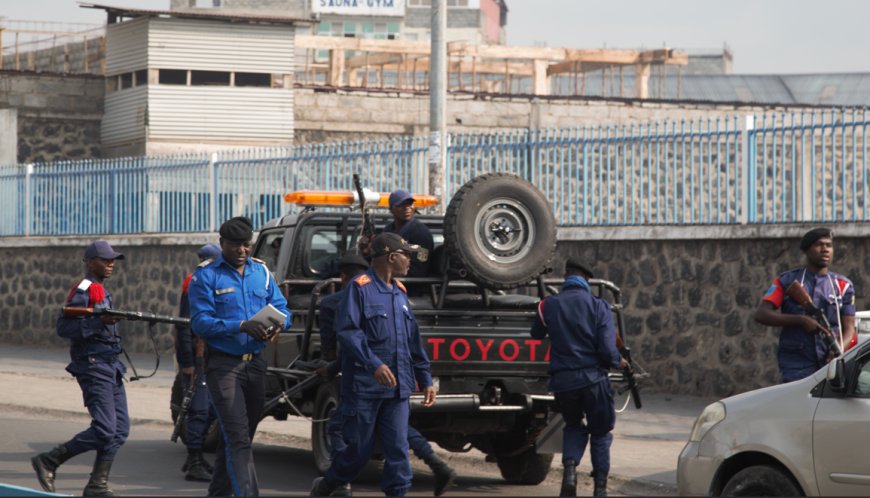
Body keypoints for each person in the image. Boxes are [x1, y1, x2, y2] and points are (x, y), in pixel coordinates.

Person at [316, 252, 456, 496]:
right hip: (364, 387)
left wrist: (425, 378)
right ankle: (328, 485)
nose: (410, 261)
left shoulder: (399, 292)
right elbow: (348, 332)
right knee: (359, 451)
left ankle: (398, 492)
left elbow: (413, 340)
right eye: (406, 255)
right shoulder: (359, 289)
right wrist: (374, 365)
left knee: (398, 449)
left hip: (398, 387)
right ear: (391, 257)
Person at [188, 216, 292, 497]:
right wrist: (241, 326)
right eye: (235, 246)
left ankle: (218, 493)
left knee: (240, 437)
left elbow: (283, 308)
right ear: (222, 244)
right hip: (224, 366)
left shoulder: (262, 272)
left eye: (247, 245)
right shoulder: (206, 276)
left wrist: (277, 325)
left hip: (256, 365)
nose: (243, 251)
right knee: (238, 437)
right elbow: (200, 322)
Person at [32, 240, 128, 496]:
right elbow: (64, 328)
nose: (110, 264)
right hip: (94, 365)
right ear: (89, 262)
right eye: (104, 260)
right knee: (106, 428)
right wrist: (99, 323)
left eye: (112, 260)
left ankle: (97, 484)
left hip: (111, 364)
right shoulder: (85, 288)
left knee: (120, 430)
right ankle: (50, 460)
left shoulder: (101, 289)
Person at [530, 258, 625, 498]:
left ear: (567, 277)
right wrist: (618, 361)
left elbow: (536, 334)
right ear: (585, 280)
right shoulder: (598, 305)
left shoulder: (548, 305)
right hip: (594, 381)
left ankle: (570, 474)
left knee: (572, 426)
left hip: (563, 382)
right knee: (601, 432)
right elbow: (606, 347)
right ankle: (600, 488)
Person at [754, 227, 857, 383]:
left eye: (829, 245)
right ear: (807, 250)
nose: (825, 250)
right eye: (819, 245)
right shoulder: (787, 281)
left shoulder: (843, 286)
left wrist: (839, 349)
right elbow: (762, 314)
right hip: (797, 364)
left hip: (829, 361)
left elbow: (849, 328)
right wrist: (800, 320)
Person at [174, 243, 222, 482]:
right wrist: (187, 362)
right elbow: (183, 326)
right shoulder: (195, 282)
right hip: (197, 357)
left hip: (211, 355)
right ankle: (194, 461)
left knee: (211, 410)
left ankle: (195, 458)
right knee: (199, 411)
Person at [382, 189, 434, 278]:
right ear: (391, 209)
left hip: (411, 285)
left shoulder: (421, 233)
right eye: (401, 205)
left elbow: (419, 268)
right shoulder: (388, 230)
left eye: (410, 204)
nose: (407, 207)